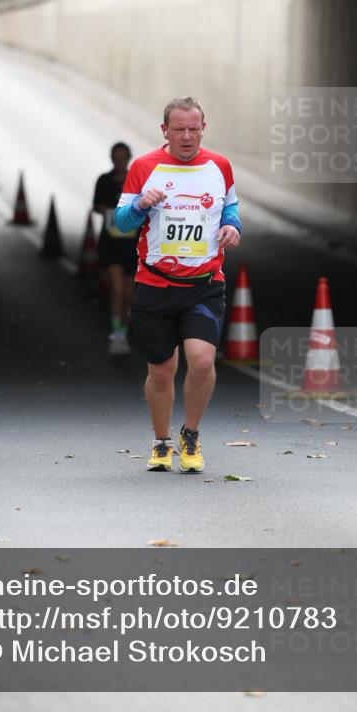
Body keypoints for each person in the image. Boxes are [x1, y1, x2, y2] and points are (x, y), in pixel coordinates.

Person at [114, 97, 242, 474]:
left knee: (202, 360)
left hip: (204, 283)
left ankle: (191, 433)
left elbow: (229, 208)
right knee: (162, 370)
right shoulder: (144, 167)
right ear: (164, 130)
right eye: (179, 129)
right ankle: (160, 441)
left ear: (204, 127)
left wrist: (233, 227)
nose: (187, 136)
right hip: (155, 285)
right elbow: (121, 222)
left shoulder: (219, 166)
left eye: (193, 128)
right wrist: (140, 204)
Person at [93, 142, 138, 354]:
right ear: (111, 159)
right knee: (117, 289)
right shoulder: (104, 180)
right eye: (116, 158)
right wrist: (110, 211)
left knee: (130, 295)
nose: (119, 162)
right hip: (111, 243)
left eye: (123, 158)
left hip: (132, 245)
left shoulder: (137, 180)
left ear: (128, 158)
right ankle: (116, 334)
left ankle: (124, 330)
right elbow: (96, 205)